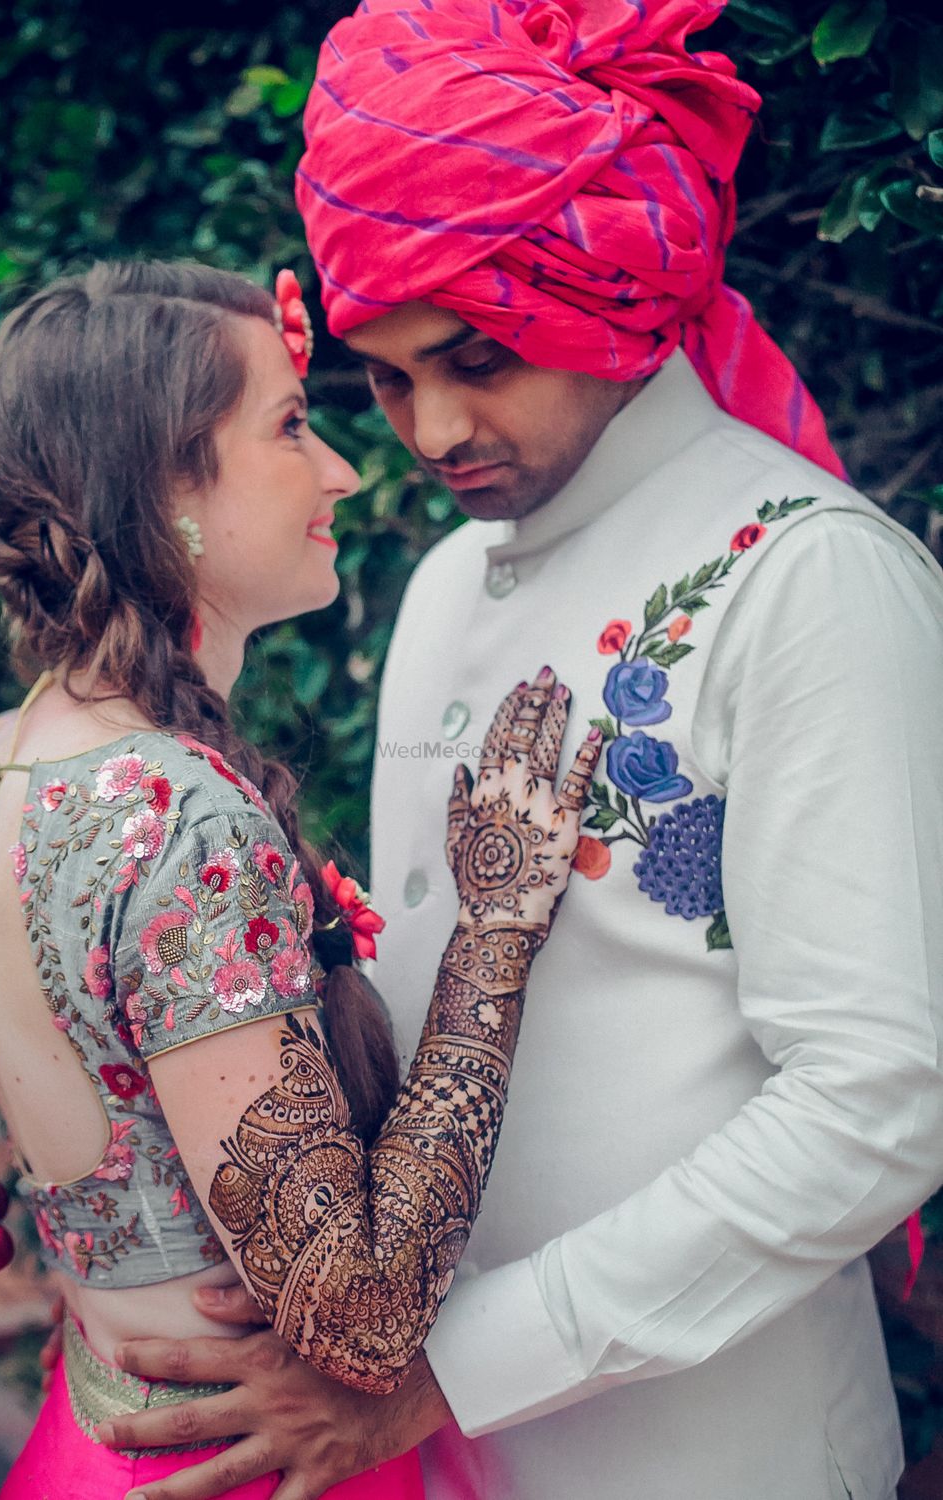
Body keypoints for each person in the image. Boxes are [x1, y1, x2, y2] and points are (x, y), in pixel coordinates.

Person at [95, 3, 943, 1500]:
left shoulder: (806, 574)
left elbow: (880, 1101)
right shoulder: (437, 587)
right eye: (385, 376)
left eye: (475, 357)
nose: (430, 429)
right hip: (441, 1460)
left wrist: (447, 1372)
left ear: (605, 291)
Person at [0, 257, 601, 1500]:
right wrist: (494, 934)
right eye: (292, 427)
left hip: (88, 1447)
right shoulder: (174, 820)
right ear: (161, 487)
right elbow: (356, 1319)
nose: (344, 471)